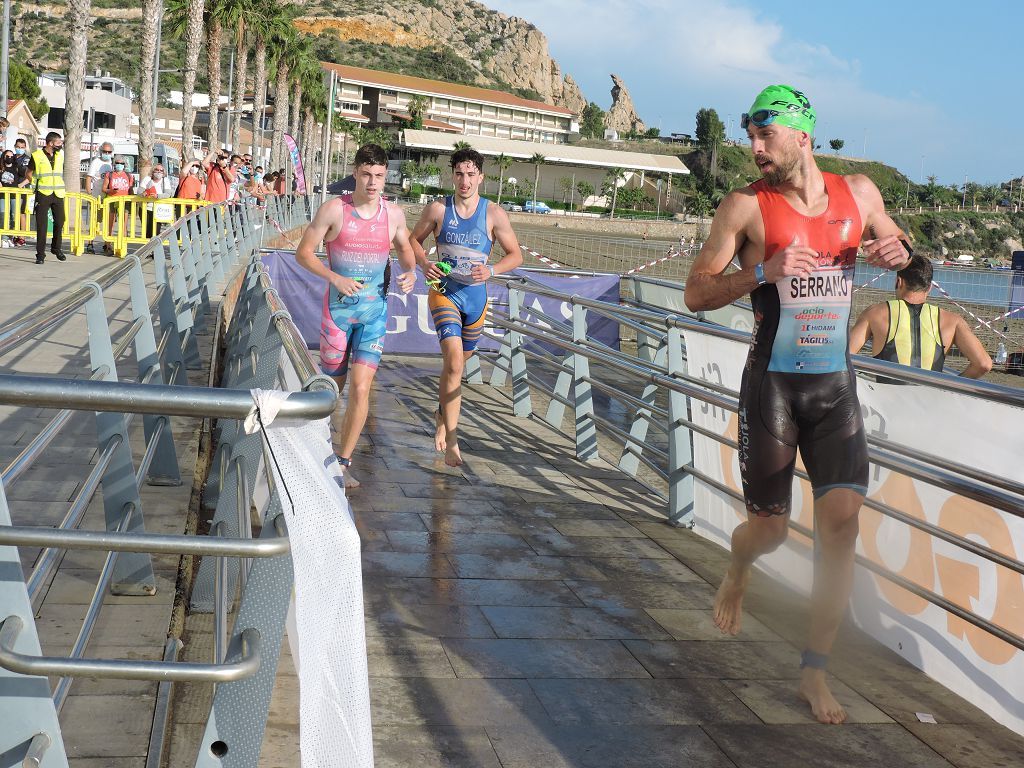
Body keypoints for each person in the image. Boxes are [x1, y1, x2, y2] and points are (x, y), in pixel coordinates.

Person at [683, 85, 912, 725]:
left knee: (841, 526)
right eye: (750, 139)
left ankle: (815, 670)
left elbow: (906, 252)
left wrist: (904, 253)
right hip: (773, 389)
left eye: (766, 137)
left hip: (834, 388)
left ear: (801, 136)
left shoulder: (860, 193)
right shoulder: (744, 208)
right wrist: (766, 271)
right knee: (772, 529)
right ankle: (738, 566)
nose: (755, 150)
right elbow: (695, 294)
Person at [295, 143, 417, 489]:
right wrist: (335, 278)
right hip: (337, 314)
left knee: (362, 388)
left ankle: (342, 463)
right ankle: (316, 447)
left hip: (375, 313)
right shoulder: (335, 210)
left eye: (379, 176)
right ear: (355, 173)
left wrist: (410, 273)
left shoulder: (393, 215)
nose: (373, 182)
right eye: (367, 174)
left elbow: (407, 252)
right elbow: (303, 254)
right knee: (332, 391)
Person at [410, 147, 523, 467]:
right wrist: (424, 263)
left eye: (471, 174)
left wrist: (492, 270)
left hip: (476, 299)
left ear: (481, 178)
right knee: (456, 363)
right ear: (453, 175)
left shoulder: (493, 214)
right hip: (444, 292)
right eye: (459, 173)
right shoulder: (437, 209)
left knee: (456, 367)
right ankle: (454, 440)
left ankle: (441, 412)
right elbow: (412, 240)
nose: (464, 180)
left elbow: (515, 255)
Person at [849, 253, 992, 378]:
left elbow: (844, 356)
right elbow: (983, 364)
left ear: (899, 281)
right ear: (929, 287)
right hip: (928, 403)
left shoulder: (875, 313)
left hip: (886, 403)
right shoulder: (953, 321)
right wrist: (951, 386)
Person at [27, 131, 66, 264]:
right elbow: (29, 173)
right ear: (50, 143)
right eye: (58, 143)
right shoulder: (37, 156)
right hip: (43, 194)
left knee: (60, 222)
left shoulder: (60, 155)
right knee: (42, 226)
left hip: (58, 194)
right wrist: (35, 184)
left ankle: (56, 248)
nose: (60, 145)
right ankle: (40, 255)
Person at [102, 155, 134, 254]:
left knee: (124, 225)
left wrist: (133, 201)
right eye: (117, 163)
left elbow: (131, 190)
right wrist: (111, 190)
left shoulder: (129, 176)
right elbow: (103, 189)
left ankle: (122, 246)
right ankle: (107, 245)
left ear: (124, 165)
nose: (119, 165)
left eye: (121, 163)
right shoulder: (109, 174)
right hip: (111, 200)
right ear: (114, 164)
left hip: (124, 201)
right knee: (110, 224)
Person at [86, 141, 114, 254]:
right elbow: (88, 178)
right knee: (94, 221)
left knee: (109, 222)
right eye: (104, 151)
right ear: (101, 151)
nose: (106, 153)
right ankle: (90, 243)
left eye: (109, 152)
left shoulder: (111, 163)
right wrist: (89, 194)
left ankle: (107, 245)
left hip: (108, 197)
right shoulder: (96, 162)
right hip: (97, 195)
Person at [139, 163, 174, 240]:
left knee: (156, 231)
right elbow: (139, 191)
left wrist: (157, 196)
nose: (159, 172)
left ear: (163, 172)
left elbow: (168, 194)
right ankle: (148, 250)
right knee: (147, 231)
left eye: (161, 170)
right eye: (156, 170)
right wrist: (144, 193)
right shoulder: (147, 179)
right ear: (153, 170)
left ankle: (154, 250)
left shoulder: (165, 180)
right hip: (145, 208)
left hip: (159, 209)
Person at [13, 138, 32, 241]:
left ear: (25, 148)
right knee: (12, 211)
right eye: (18, 147)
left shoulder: (27, 159)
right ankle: (12, 234)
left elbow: (30, 176)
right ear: (15, 146)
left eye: (22, 147)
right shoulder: (11, 157)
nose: (19, 149)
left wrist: (21, 185)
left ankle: (22, 236)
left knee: (21, 212)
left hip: (22, 188)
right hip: (11, 188)